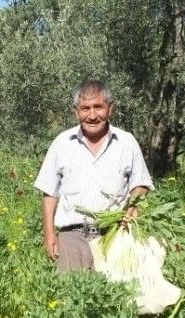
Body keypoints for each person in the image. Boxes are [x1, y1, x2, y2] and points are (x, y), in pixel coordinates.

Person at [34, 80, 154, 271]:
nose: (92, 115)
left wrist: (133, 205)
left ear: (110, 108)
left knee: (114, 296)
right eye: (85, 108)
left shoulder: (127, 142)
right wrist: (49, 233)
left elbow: (141, 184)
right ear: (76, 111)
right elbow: (50, 193)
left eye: (98, 107)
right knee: (71, 296)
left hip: (115, 235)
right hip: (71, 236)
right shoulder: (62, 143)